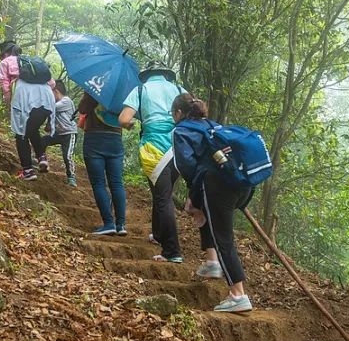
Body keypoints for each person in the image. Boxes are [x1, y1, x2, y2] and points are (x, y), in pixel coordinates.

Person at [172, 93, 254, 313]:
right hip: (241, 184)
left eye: (173, 114)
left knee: (223, 238)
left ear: (178, 113)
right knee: (206, 213)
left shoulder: (181, 130)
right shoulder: (213, 125)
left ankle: (238, 294)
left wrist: (194, 194)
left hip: (217, 185)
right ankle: (212, 263)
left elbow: (186, 166)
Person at [118, 62, 183, 262]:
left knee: (163, 197)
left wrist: (131, 124)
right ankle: (158, 234)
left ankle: (172, 251)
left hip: (153, 148)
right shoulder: (179, 89)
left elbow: (123, 119)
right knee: (162, 192)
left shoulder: (140, 89)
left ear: (146, 75)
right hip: (179, 146)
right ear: (166, 74)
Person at [0, 39, 55, 180]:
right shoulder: (30, 61)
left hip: (25, 97)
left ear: (5, 53)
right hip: (47, 98)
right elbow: (52, 83)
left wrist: (9, 101)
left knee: (20, 134)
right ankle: (42, 157)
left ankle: (28, 171)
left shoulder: (5, 62)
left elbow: (5, 84)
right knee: (31, 128)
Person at [78, 92, 126, 236]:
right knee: (117, 183)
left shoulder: (95, 86)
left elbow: (83, 109)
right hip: (115, 138)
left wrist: (87, 92)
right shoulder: (121, 91)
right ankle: (121, 225)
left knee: (99, 183)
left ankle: (108, 223)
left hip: (95, 137)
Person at [41, 79, 78, 186]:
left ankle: (71, 177)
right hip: (58, 133)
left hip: (69, 133)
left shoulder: (66, 101)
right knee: (42, 141)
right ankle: (42, 162)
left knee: (67, 156)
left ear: (56, 91)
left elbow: (51, 108)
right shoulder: (57, 103)